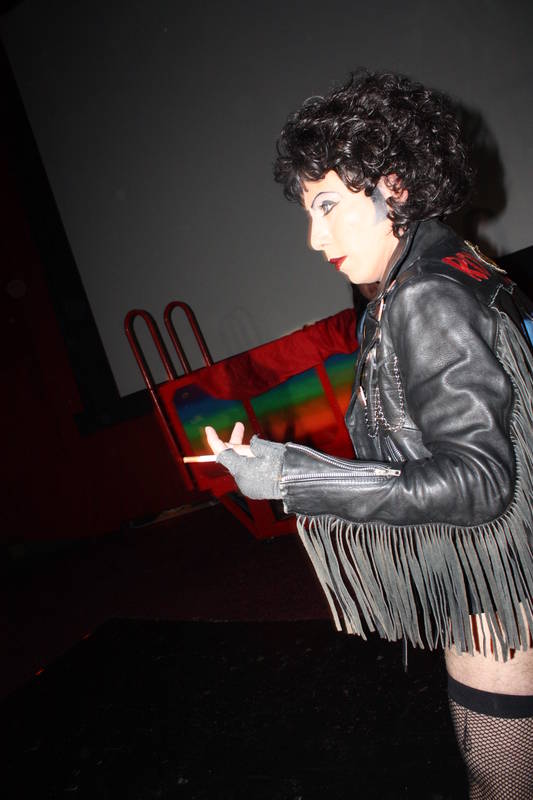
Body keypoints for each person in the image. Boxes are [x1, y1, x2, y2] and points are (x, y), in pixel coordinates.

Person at [205, 70, 533, 798]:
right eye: (306, 212)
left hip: (502, 597)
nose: (314, 237)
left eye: (327, 205)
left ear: (395, 186)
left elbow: (479, 481)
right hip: (512, 573)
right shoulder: (459, 265)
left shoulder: (423, 294)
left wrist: (291, 475)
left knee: (501, 782)